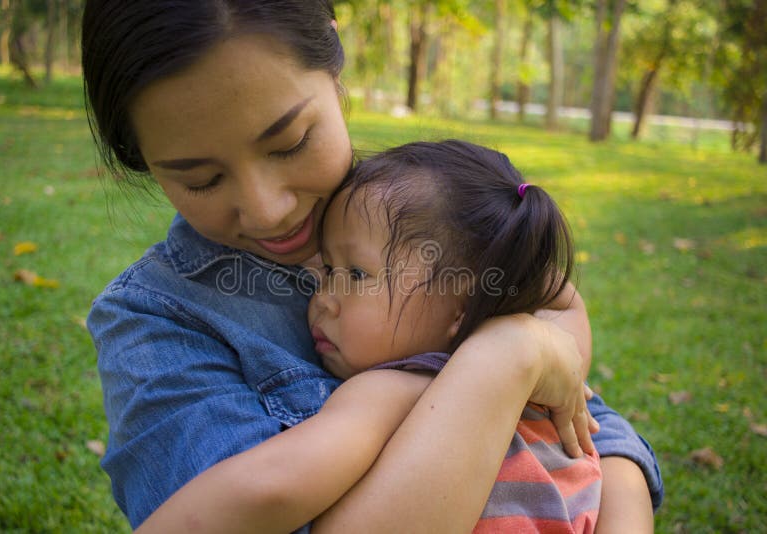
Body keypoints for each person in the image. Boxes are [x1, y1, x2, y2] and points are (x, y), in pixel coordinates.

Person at [81, 1, 662, 532]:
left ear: (335, 67)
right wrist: (508, 357)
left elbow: (593, 430)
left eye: (289, 142)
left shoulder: (438, 222)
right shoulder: (156, 324)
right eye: (201, 179)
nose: (268, 210)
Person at [307, 139, 602, 532]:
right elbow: (564, 301)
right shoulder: (548, 383)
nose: (323, 299)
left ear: (460, 305)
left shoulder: (384, 392)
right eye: (327, 269)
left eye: (356, 274)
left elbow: (278, 486)